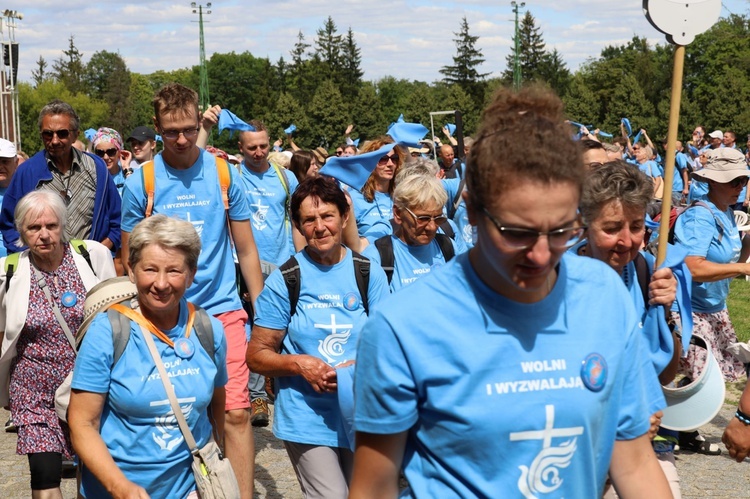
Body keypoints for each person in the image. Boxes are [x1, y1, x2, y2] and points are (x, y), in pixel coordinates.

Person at [349, 86, 671, 498]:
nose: (540, 255)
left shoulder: (603, 296)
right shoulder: (402, 328)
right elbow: (372, 489)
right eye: (516, 232)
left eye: (560, 231)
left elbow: (636, 462)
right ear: (472, 211)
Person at [120, 83, 263, 498]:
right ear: (157, 127)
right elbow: (131, 262)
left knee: (236, 413)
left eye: (187, 128)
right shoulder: (142, 182)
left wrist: (266, 314)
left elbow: (247, 250)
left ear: (199, 120)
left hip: (223, 310)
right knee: (180, 413)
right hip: (165, 318)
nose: (181, 139)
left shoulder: (223, 173)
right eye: (170, 131)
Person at [247, 175, 388, 499]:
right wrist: (299, 365)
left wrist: (361, 363)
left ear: (344, 217)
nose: (319, 227)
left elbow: (387, 342)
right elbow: (256, 355)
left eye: (327, 216)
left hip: (362, 413)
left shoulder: (367, 272)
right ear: (297, 224)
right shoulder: (287, 279)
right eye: (309, 220)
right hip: (307, 417)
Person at [68, 215, 228, 499]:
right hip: (114, 491)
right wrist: (120, 487)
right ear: (131, 270)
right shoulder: (108, 332)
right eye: (150, 269)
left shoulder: (208, 330)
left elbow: (216, 406)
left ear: (191, 273)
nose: (161, 283)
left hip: (188, 489)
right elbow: (82, 422)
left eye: (175, 271)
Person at [577, 161, 683, 495]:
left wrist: (667, 311)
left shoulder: (647, 270)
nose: (627, 241)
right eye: (611, 228)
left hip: (638, 447)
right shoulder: (558, 279)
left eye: (636, 226)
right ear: (584, 224)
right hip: (578, 450)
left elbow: (666, 373)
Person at [0, 190, 115, 497]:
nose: (44, 235)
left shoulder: (92, 256)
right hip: (33, 390)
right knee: (44, 475)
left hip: (88, 385)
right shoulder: (7, 271)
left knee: (95, 473)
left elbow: (116, 315)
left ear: (63, 225)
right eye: (34, 228)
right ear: (21, 231)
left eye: (51, 226)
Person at [199, 108, 304, 427]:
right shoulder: (233, 176)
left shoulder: (287, 178)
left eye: (264, 146)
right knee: (250, 328)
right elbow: (197, 162)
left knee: (284, 328)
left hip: (283, 262)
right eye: (252, 147)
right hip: (241, 264)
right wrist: (204, 127)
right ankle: (255, 396)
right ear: (240, 149)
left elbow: (297, 221)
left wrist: (302, 261)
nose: (259, 152)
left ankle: (286, 390)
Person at [0, 100, 122, 254]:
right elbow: (9, 225)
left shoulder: (96, 167)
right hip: (42, 272)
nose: (55, 140)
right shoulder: (27, 172)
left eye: (62, 133)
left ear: (75, 135)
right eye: (48, 134)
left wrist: (97, 252)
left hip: (92, 269)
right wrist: (31, 259)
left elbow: (117, 219)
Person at [674, 147, 750, 384]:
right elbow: (693, 268)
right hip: (688, 311)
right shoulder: (700, 216)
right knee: (705, 379)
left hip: (714, 308)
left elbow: (728, 262)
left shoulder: (725, 211)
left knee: (722, 375)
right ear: (712, 181)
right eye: (734, 181)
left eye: (744, 180)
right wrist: (744, 269)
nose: (740, 186)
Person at [363, 173, 461, 292]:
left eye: (439, 219)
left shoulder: (448, 247)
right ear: (398, 214)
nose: (432, 227)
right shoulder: (377, 257)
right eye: (422, 219)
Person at [348, 137, 402, 240]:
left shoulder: (402, 196)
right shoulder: (354, 199)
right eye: (383, 159)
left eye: (394, 158)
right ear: (369, 162)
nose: (390, 164)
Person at [92, 127, 132, 197]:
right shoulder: (92, 177)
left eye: (111, 152)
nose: (106, 157)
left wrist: (126, 168)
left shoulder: (130, 174)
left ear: (120, 152)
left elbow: (137, 194)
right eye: (100, 152)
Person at [0, 138, 19, 258]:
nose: (0, 167)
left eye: (5, 161)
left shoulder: (26, 191)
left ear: (15, 163)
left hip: (18, 263)